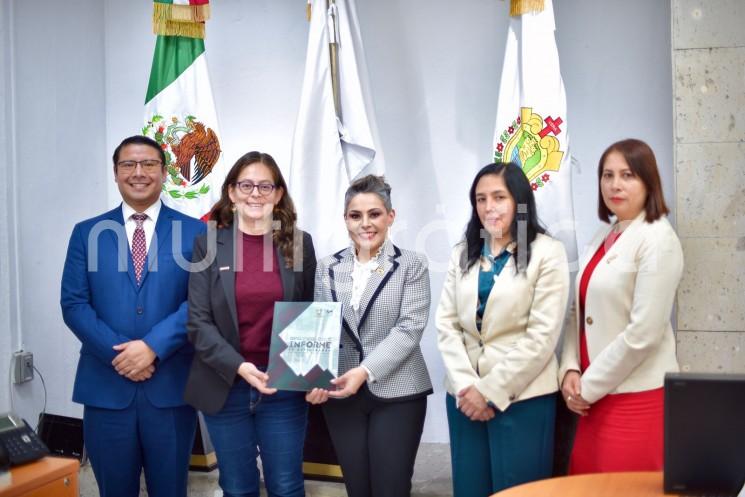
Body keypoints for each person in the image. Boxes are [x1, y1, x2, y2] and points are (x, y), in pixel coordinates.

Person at [60, 135, 205, 497]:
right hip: (106, 388)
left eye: (148, 164)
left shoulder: (198, 232)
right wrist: (121, 355)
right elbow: (74, 303)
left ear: (164, 172)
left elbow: (201, 302)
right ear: (115, 173)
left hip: (171, 388)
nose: (138, 173)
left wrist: (153, 347)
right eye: (128, 165)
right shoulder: (86, 232)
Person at [184, 151, 316, 497]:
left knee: (287, 487)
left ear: (277, 194)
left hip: (283, 384)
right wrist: (240, 367)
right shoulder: (208, 244)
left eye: (264, 186)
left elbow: (310, 315)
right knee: (238, 487)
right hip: (225, 383)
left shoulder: (299, 244)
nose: (255, 193)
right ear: (231, 192)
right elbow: (198, 321)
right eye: (246, 185)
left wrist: (313, 375)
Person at [436, 162, 570, 495]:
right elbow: (447, 324)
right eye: (481, 199)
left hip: (522, 399)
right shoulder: (462, 253)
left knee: (518, 490)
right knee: (470, 489)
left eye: (499, 197)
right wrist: (469, 388)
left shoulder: (547, 252)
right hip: (464, 399)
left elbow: (543, 336)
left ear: (519, 202)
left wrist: (490, 391)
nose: (489, 207)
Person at [559, 138, 683, 474]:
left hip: (634, 398)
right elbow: (577, 309)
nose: (615, 185)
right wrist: (569, 368)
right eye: (607, 175)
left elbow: (644, 333)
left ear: (648, 182)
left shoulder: (658, 239)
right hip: (591, 398)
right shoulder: (605, 234)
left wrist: (588, 385)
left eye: (628, 175)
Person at [306, 175, 432, 497]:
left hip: (397, 391)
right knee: (358, 489)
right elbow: (321, 328)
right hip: (341, 395)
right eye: (355, 215)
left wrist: (364, 371)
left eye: (374, 214)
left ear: (391, 216)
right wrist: (312, 379)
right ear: (345, 220)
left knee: (390, 489)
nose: (365, 224)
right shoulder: (327, 267)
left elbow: (409, 328)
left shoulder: (412, 264)